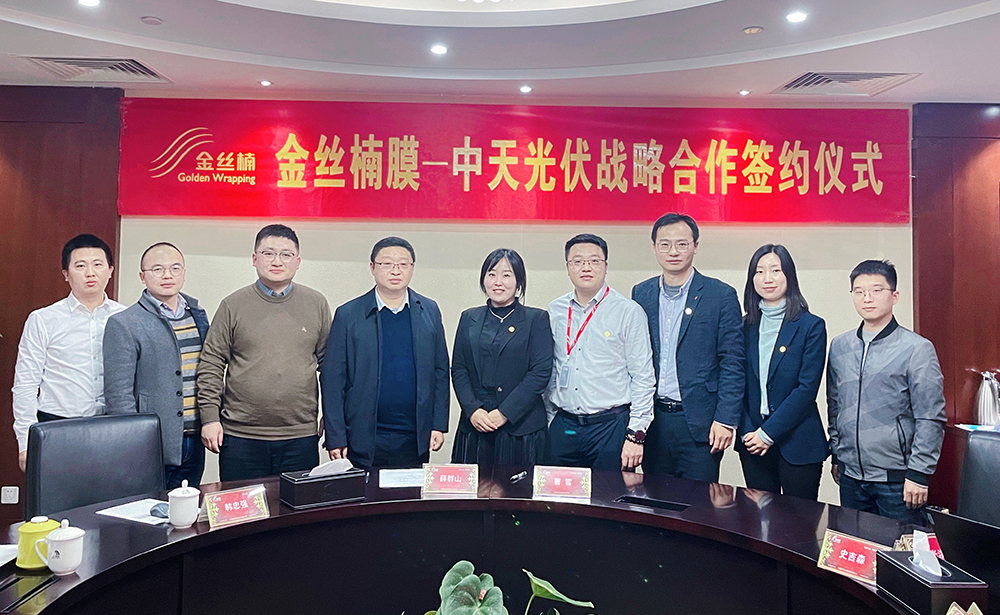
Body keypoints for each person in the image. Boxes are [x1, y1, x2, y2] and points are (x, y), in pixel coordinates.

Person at [196, 224, 332, 481]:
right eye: (268, 253)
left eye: (286, 254)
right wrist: (210, 418)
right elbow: (212, 363)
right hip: (240, 437)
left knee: (296, 506)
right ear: (254, 259)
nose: (277, 261)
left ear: (298, 261)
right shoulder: (232, 305)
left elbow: (330, 367)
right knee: (241, 505)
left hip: (300, 436)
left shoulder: (316, 304)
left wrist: (333, 418)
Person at [827, 259, 946, 524]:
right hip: (851, 477)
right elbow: (834, 405)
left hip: (898, 479)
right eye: (859, 291)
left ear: (894, 296)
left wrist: (919, 473)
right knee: (856, 546)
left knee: (902, 548)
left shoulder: (916, 348)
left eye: (876, 290)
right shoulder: (839, 346)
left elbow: (930, 416)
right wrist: (837, 454)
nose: (867, 298)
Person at [631, 213, 744, 482]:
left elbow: (732, 361)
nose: (673, 252)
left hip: (699, 422)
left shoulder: (720, 295)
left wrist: (725, 420)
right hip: (654, 421)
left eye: (682, 244)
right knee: (654, 498)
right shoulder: (641, 294)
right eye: (665, 244)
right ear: (654, 248)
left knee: (699, 502)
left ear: (695, 246)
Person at [321, 237, 450, 469]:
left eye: (403, 264)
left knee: (410, 492)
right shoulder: (348, 314)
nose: (395, 270)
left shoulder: (429, 310)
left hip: (414, 436)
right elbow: (332, 379)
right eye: (387, 264)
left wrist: (438, 424)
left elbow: (440, 371)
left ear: (412, 268)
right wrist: (336, 435)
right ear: (372, 267)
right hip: (362, 436)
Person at [12, 234, 125, 472]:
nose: (90, 273)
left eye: (98, 264)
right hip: (56, 428)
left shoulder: (126, 318)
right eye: (80, 266)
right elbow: (25, 384)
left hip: (112, 428)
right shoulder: (43, 319)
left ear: (110, 270)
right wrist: (25, 441)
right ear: (66, 273)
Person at [103, 242, 210, 488]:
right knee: (150, 507)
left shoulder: (197, 315)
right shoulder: (124, 323)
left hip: (195, 436)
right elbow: (118, 394)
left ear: (184, 272)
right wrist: (133, 441)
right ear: (143, 276)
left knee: (187, 504)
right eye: (158, 269)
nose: (167, 275)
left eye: (175, 268)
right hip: (152, 440)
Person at [546, 233, 655, 471]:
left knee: (610, 493)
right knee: (560, 493)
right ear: (568, 268)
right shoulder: (555, 310)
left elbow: (643, 377)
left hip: (610, 427)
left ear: (606, 266)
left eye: (594, 261)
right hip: (564, 425)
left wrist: (636, 434)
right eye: (577, 261)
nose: (586, 267)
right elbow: (551, 368)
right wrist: (550, 419)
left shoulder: (628, 311)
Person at [736, 244, 828, 500]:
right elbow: (735, 383)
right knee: (759, 518)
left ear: (789, 275)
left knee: (799, 521)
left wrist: (767, 434)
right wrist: (747, 431)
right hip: (752, 441)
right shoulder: (742, 327)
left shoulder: (811, 326)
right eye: (759, 271)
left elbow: (806, 389)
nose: (767, 278)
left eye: (776, 270)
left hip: (798, 442)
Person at [451, 248, 553, 468]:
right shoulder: (469, 318)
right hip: (476, 424)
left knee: (518, 489)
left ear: (518, 281)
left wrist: (505, 413)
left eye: (506, 275)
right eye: (492, 274)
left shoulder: (536, 319)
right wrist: (472, 410)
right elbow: (459, 369)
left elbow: (540, 373)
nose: (498, 282)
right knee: (472, 489)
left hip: (521, 427)